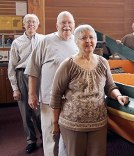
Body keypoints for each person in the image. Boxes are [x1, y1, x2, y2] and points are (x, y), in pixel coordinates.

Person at [50, 24, 129, 156]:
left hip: (98, 123)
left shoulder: (103, 62)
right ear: (76, 42)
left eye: (91, 37)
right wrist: (54, 123)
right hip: (73, 124)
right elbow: (55, 95)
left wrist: (118, 96)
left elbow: (110, 86)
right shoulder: (68, 64)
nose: (88, 41)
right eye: (83, 38)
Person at [24, 11, 77, 156]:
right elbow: (33, 69)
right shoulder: (46, 41)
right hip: (49, 100)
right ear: (57, 25)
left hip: (72, 101)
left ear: (74, 24)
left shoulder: (78, 42)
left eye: (69, 22)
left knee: (69, 138)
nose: (66, 26)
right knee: (51, 136)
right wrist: (31, 94)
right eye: (63, 23)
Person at [7, 14, 44, 154]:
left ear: (37, 24)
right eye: (28, 22)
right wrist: (15, 89)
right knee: (26, 112)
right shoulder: (17, 42)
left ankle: (44, 138)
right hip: (22, 76)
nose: (31, 24)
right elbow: (11, 67)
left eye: (34, 22)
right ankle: (31, 141)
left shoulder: (44, 39)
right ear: (24, 24)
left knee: (40, 111)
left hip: (39, 76)